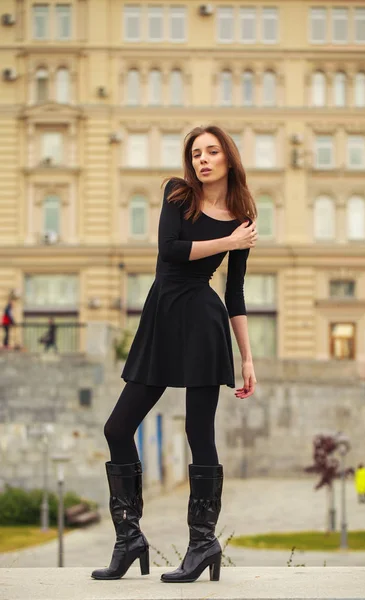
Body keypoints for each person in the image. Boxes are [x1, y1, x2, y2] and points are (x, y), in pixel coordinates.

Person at [91, 125, 258, 584]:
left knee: (199, 433)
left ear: (228, 158)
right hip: (162, 318)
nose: (203, 159)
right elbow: (171, 250)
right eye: (196, 153)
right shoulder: (177, 193)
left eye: (212, 151)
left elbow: (237, 292)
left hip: (204, 323)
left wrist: (247, 358)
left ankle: (202, 543)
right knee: (117, 426)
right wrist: (228, 243)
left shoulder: (242, 215)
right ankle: (130, 538)